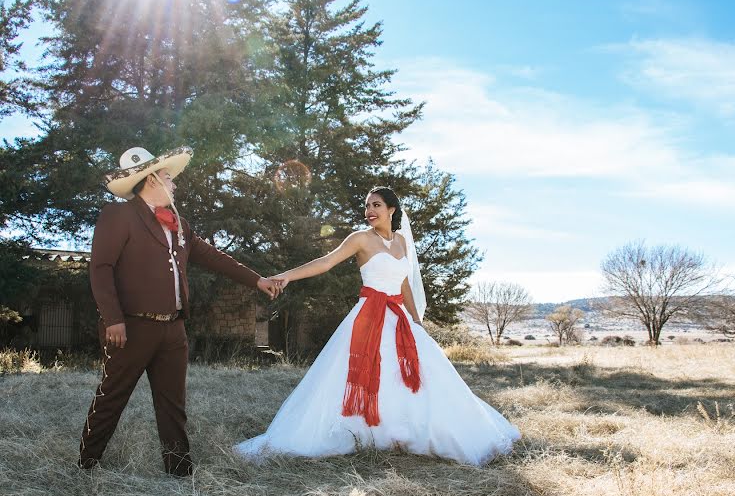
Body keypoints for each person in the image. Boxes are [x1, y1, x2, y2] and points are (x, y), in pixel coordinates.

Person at [235, 187, 520, 466]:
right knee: (356, 374)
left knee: (416, 376)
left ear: (391, 210)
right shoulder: (361, 239)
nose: (369, 211)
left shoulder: (401, 242)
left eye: (376, 205)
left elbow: (405, 283)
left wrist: (416, 321)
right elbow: (327, 261)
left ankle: (406, 431)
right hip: (368, 318)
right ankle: (363, 431)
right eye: (368, 206)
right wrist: (285, 277)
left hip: (399, 318)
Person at [79, 146, 281, 476]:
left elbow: (215, 258)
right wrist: (113, 319)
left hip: (173, 330)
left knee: (173, 404)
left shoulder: (179, 224)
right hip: (131, 327)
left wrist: (257, 281)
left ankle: (179, 471)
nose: (174, 185)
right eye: (169, 178)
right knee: (112, 397)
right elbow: (100, 269)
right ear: (152, 179)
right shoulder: (118, 216)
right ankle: (87, 463)